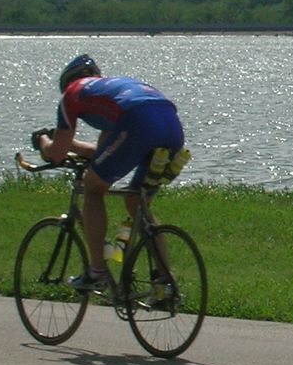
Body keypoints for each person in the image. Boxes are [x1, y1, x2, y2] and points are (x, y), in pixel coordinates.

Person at [33, 54, 185, 291]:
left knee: (93, 189)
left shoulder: (71, 94)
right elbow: (102, 152)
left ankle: (97, 273)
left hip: (137, 122)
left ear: (67, 82)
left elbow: (56, 154)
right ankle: (165, 280)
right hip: (170, 123)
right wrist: (71, 145)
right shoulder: (112, 91)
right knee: (136, 200)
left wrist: (43, 140)